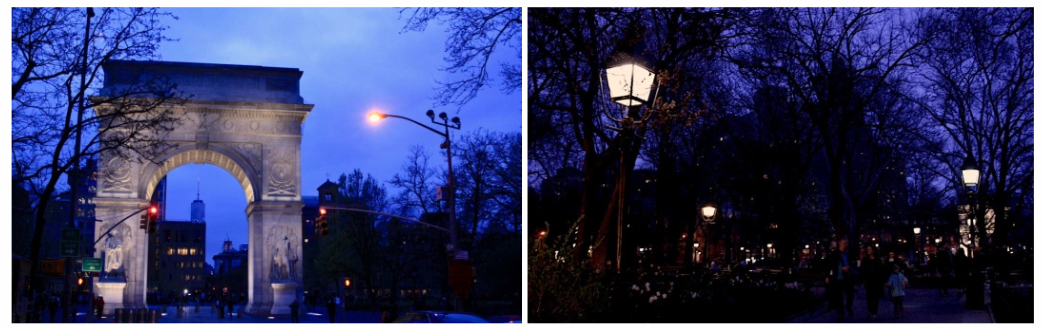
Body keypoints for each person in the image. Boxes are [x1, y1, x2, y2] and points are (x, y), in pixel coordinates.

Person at [825, 238, 856, 321]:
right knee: (839, 297)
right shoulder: (835, 254)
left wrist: (849, 269)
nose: (846, 245)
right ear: (840, 244)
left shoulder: (849, 253)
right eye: (844, 243)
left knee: (850, 295)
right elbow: (829, 265)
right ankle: (841, 314)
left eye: (847, 243)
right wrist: (828, 276)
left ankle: (848, 306)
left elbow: (854, 265)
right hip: (838, 278)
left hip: (847, 277)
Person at [859, 246, 885, 320]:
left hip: (876, 281)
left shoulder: (877, 260)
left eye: (870, 249)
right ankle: (870, 310)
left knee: (875, 298)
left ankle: (874, 312)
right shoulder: (865, 260)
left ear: (873, 250)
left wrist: (881, 281)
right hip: (868, 281)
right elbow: (862, 270)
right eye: (867, 249)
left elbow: (880, 271)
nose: (868, 251)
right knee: (869, 297)